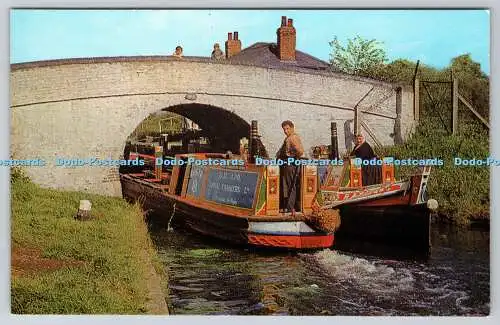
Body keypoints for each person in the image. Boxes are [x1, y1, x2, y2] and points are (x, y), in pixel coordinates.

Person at [276, 120, 304, 215]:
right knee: (288, 185)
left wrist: (292, 157)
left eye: (287, 129)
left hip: (290, 164)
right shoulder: (289, 138)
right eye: (284, 129)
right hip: (287, 164)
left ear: (292, 128)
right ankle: (287, 206)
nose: (285, 131)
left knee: (290, 186)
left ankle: (290, 208)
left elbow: (300, 151)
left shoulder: (292, 138)